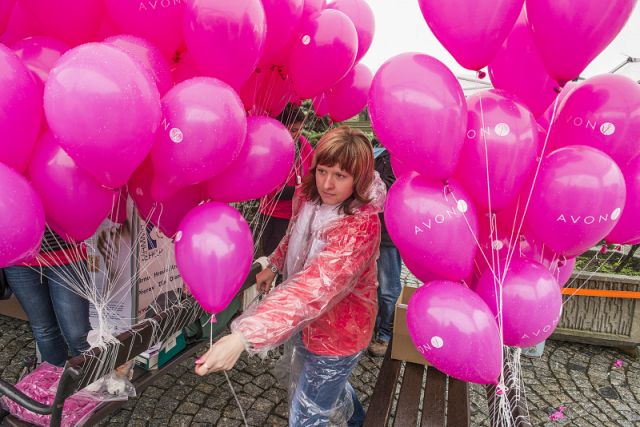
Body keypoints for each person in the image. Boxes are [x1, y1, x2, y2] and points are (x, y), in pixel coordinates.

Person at [195, 126, 386, 427]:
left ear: (358, 179)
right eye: (323, 171)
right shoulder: (308, 198)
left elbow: (315, 286)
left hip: (338, 335)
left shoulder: (360, 227)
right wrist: (274, 264)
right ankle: (358, 421)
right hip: (304, 324)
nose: (328, 183)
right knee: (331, 396)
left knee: (306, 417)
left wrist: (244, 336)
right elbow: (295, 236)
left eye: (341, 175)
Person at [4, 228, 90, 367]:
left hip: (66, 255)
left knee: (78, 334)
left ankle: (91, 381)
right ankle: (53, 380)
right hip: (19, 261)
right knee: (44, 330)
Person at [258, 104, 314, 257]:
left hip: (297, 215)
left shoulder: (302, 143)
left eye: (300, 129)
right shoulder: (269, 149)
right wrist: (305, 188)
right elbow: (274, 192)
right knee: (273, 261)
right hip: (275, 217)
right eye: (293, 130)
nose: (297, 134)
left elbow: (314, 167)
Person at [368, 141, 403, 357]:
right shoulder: (375, 147)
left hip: (388, 233)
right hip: (367, 230)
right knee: (368, 284)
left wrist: (369, 178)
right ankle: (371, 325)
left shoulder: (400, 156)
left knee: (388, 289)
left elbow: (395, 190)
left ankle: (385, 334)